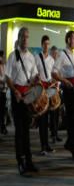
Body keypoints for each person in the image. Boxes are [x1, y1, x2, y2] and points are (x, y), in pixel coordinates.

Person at [5, 27, 40, 175]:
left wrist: (35, 80)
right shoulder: (13, 56)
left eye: (27, 37)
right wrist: (15, 92)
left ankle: (29, 161)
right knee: (19, 130)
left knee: (26, 130)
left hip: (26, 95)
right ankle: (20, 162)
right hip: (16, 95)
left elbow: (33, 76)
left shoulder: (32, 57)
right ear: (19, 38)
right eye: (23, 37)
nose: (25, 39)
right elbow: (8, 77)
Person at [52, 31, 74, 161]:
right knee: (72, 118)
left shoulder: (72, 55)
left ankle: (70, 143)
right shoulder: (61, 54)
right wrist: (64, 81)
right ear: (68, 40)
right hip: (68, 90)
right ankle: (73, 147)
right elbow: (54, 72)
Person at [35, 35, 56, 157]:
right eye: (45, 44)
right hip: (41, 91)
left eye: (48, 43)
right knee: (42, 119)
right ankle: (43, 146)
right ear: (41, 44)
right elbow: (34, 73)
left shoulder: (52, 60)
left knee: (47, 118)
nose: (46, 46)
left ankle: (47, 145)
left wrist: (55, 84)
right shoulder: (37, 58)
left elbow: (54, 74)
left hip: (49, 90)